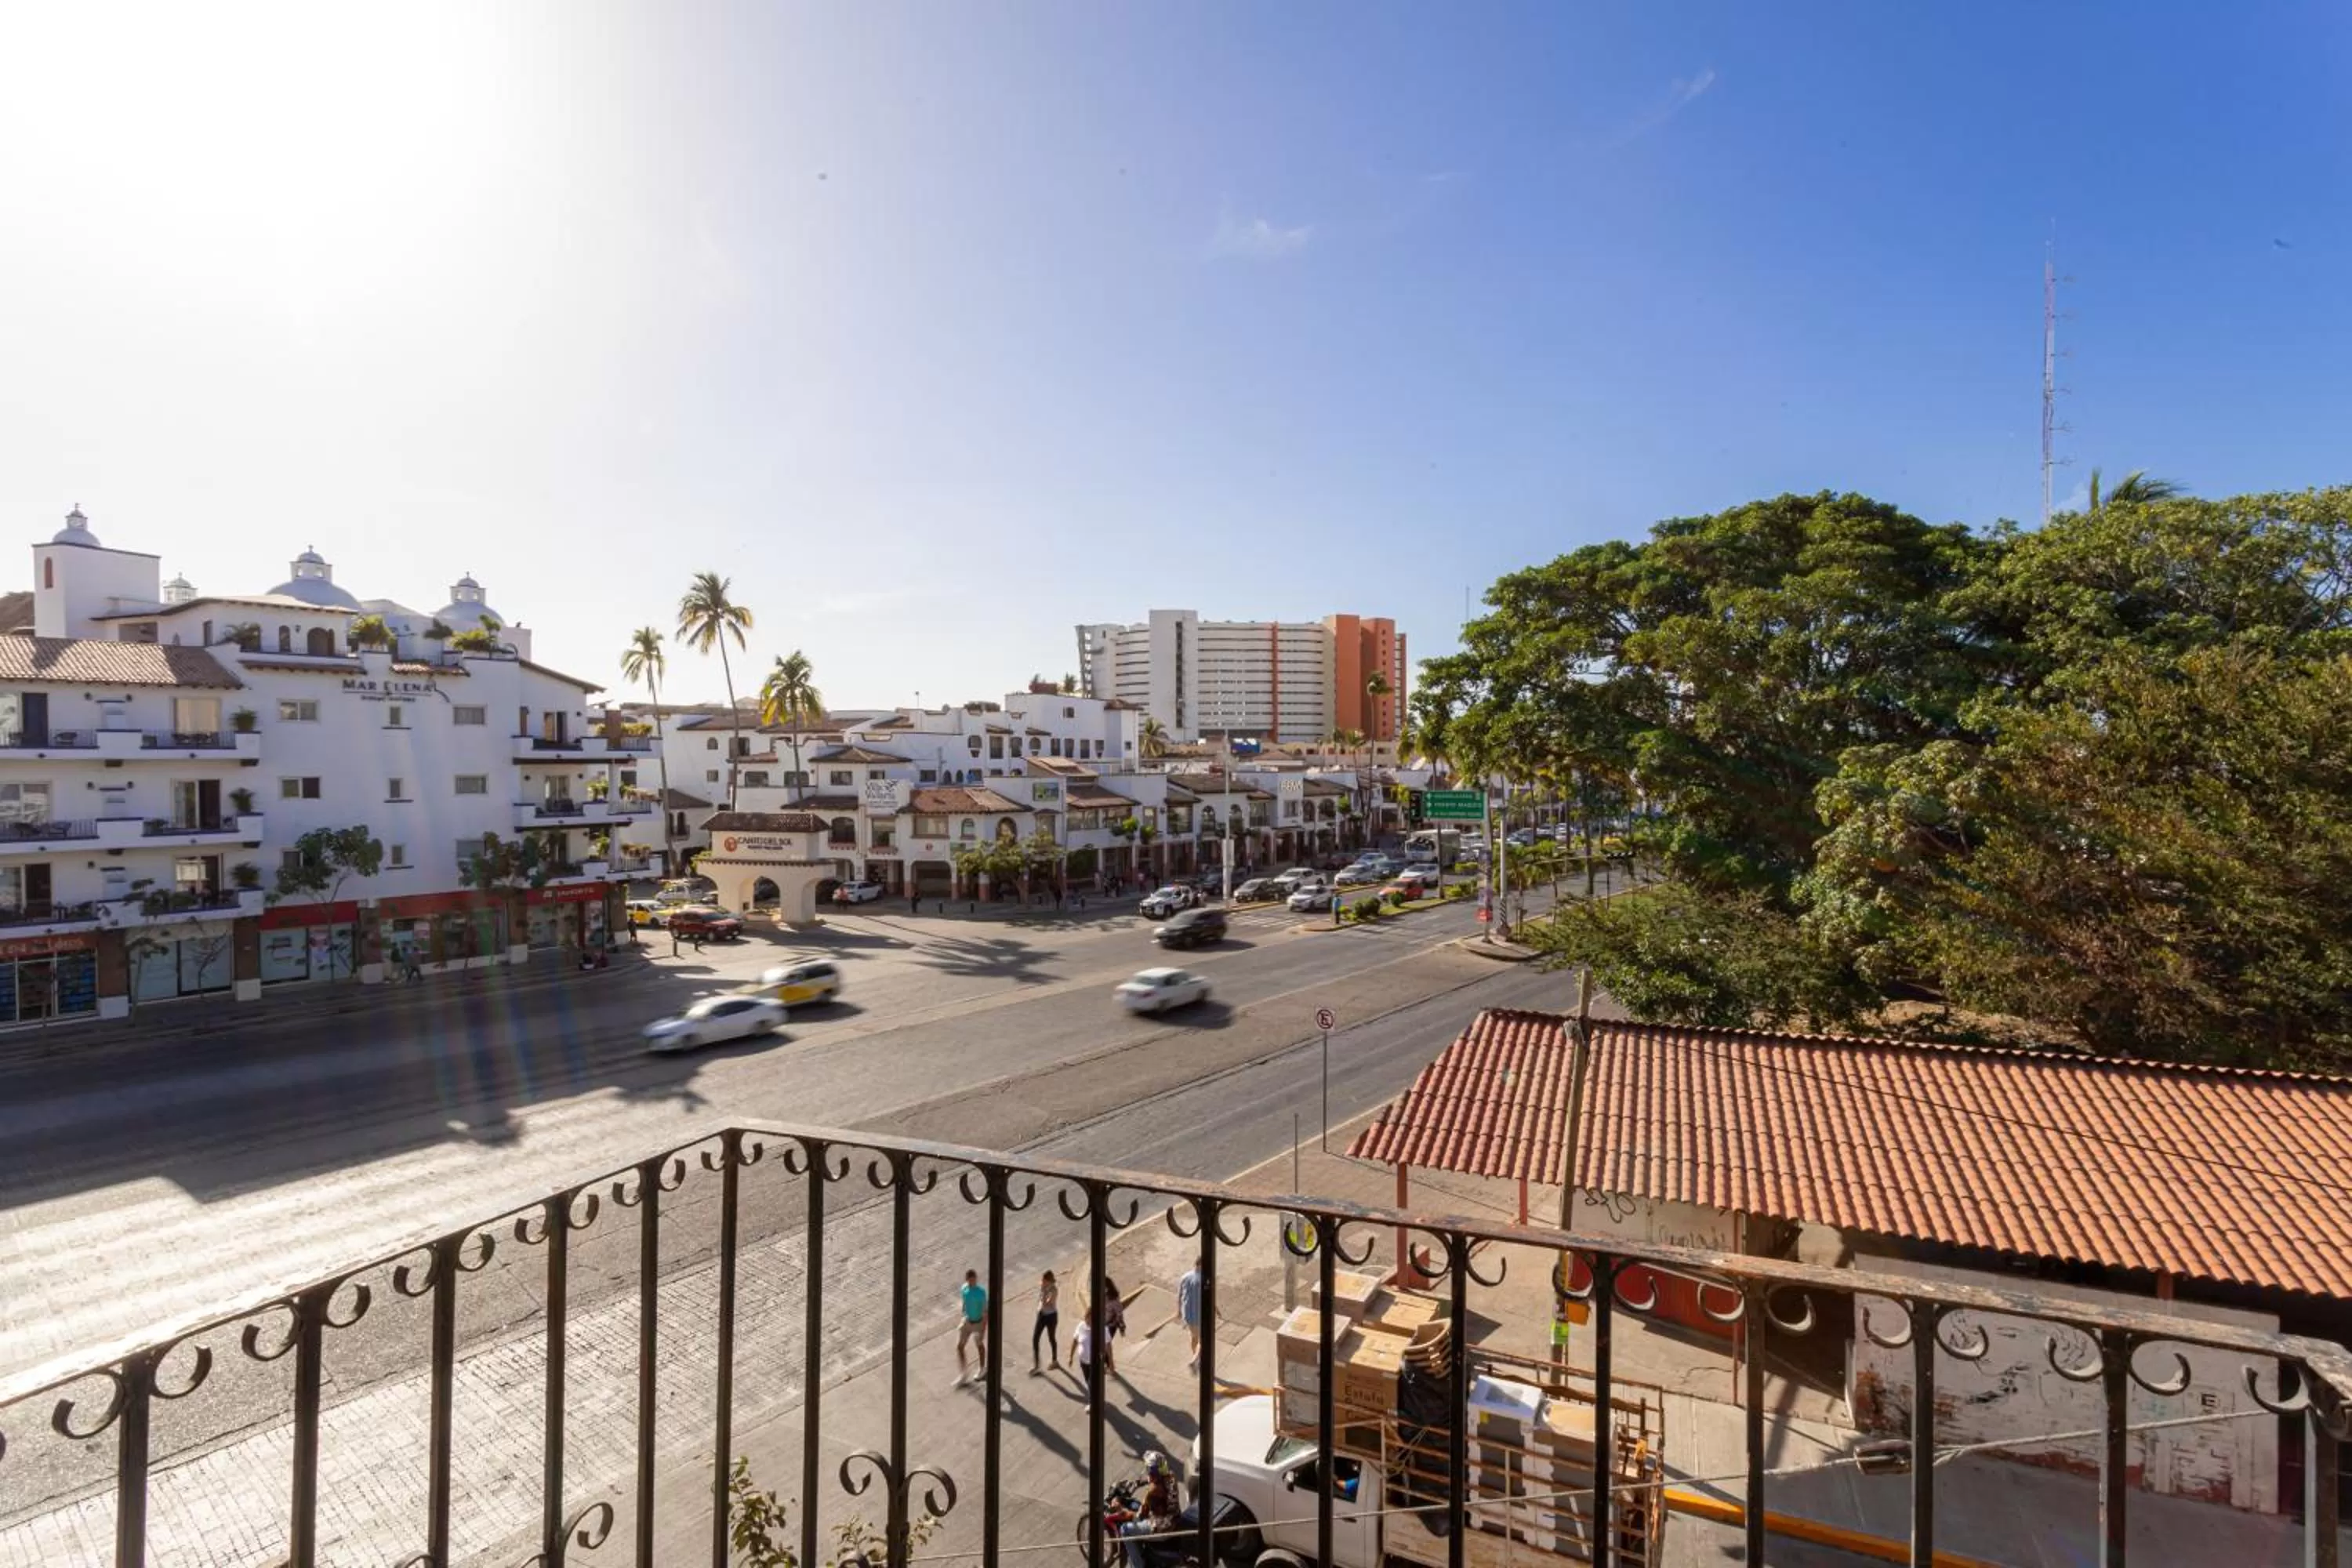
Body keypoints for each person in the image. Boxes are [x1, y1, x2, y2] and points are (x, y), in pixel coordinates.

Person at [1109, 1452, 1179, 1568]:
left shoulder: (1153, 1491)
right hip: (1173, 1518)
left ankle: (1138, 1565)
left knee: (1125, 1529)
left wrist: (1122, 1511)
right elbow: (1155, 1478)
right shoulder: (1171, 1477)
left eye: (1148, 1469)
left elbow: (1139, 1516)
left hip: (1161, 1528)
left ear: (1152, 1471)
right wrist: (1138, 1483)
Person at [953, 1269, 987, 1386]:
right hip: (967, 1321)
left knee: (979, 1345)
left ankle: (982, 1368)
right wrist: (964, 1314)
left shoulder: (981, 1292)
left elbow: (985, 1312)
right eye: (970, 1280)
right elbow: (964, 1301)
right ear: (967, 1280)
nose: (973, 1282)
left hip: (978, 1323)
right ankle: (964, 1373)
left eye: (974, 1280)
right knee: (959, 1346)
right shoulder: (964, 1289)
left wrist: (983, 1328)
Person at [1176, 1257, 1203, 1371]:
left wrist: (1178, 1311)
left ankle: (1195, 1356)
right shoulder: (1203, 1279)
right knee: (1203, 1340)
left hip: (1187, 1314)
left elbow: (1179, 1295)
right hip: (1200, 1314)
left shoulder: (1185, 1277)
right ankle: (1195, 1360)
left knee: (1194, 1337)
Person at [1032, 1269, 1060, 1375]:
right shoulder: (1044, 1286)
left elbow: (1046, 1303)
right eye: (1042, 1280)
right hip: (1042, 1315)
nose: (1042, 1282)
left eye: (1044, 1281)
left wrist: (1043, 1291)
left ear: (1048, 1281)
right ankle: (1036, 1365)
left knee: (1051, 1338)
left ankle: (1055, 1361)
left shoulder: (1054, 1290)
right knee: (1035, 1338)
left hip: (1051, 1316)